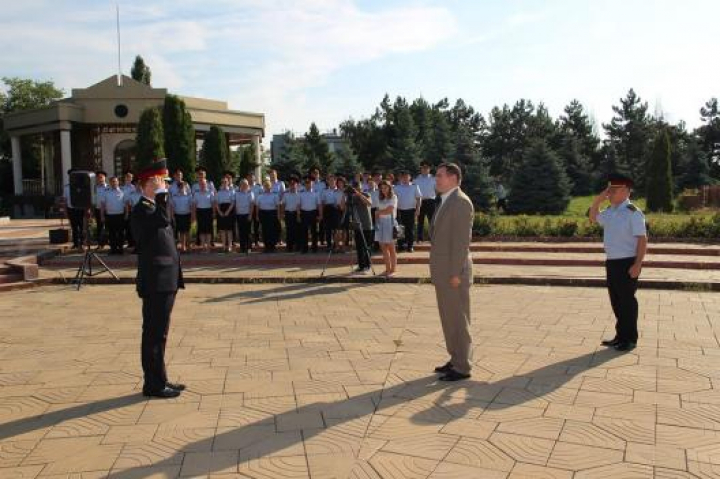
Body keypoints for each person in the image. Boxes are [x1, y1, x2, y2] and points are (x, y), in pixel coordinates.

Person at [131, 158, 185, 399]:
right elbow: (161, 220)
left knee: (160, 333)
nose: (165, 185)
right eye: (160, 180)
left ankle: (159, 378)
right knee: (154, 333)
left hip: (165, 279)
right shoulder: (142, 209)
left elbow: (166, 223)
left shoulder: (153, 207)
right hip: (156, 280)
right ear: (148, 183)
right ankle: (152, 385)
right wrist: (161, 196)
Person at [589, 173, 647, 352]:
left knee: (627, 302)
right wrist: (599, 199)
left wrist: (638, 264)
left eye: (614, 190)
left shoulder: (633, 213)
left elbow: (642, 240)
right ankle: (620, 336)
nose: (610, 193)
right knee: (616, 301)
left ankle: (630, 339)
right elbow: (592, 218)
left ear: (626, 191)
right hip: (612, 262)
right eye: (609, 189)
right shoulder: (610, 211)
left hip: (627, 262)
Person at [430, 162, 474, 382]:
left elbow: (461, 242)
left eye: (439, 176)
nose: (436, 179)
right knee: (449, 319)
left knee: (458, 319)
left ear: (454, 178)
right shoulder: (445, 200)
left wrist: (456, 273)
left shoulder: (460, 202)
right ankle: (455, 358)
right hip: (444, 272)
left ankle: (463, 366)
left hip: (453, 273)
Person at [346, 183, 373, 274]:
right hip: (357, 225)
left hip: (366, 225)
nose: (357, 190)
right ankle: (361, 266)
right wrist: (345, 195)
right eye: (355, 189)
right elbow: (343, 207)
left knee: (366, 247)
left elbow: (369, 203)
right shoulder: (352, 198)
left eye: (359, 188)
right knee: (359, 247)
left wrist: (359, 194)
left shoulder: (366, 194)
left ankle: (368, 266)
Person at [374, 181, 398, 277]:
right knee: (383, 248)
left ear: (389, 188)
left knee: (391, 248)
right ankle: (387, 269)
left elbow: (390, 210)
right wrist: (376, 222)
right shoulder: (379, 198)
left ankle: (393, 270)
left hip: (390, 223)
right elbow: (376, 212)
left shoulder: (394, 197)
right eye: (382, 188)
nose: (383, 190)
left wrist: (378, 212)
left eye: (385, 187)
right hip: (380, 223)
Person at [394, 171, 422, 252]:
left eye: (407, 177)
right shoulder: (396, 187)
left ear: (410, 177)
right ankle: (401, 245)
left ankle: (410, 246)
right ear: (401, 178)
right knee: (400, 229)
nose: (405, 178)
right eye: (403, 177)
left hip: (411, 210)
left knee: (410, 229)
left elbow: (419, 198)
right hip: (400, 211)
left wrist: (418, 209)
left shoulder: (415, 186)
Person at [101, 176, 127, 255]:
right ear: (110, 183)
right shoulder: (106, 192)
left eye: (115, 181)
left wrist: (127, 214)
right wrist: (102, 216)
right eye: (112, 182)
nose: (114, 183)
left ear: (118, 182)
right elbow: (102, 205)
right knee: (111, 233)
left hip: (120, 215)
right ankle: (113, 249)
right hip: (110, 215)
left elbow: (126, 204)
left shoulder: (123, 191)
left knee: (120, 233)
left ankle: (120, 248)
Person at [256, 180, 280, 252]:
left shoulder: (275, 195)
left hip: (272, 214)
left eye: (268, 186)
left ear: (271, 187)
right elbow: (257, 206)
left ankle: (272, 246)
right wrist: (257, 215)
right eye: (265, 186)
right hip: (263, 214)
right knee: (265, 231)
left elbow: (277, 206)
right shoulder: (260, 196)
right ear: (263, 187)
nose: (267, 187)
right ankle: (266, 246)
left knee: (272, 230)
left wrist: (278, 215)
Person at [299, 176, 322, 253]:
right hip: (304, 213)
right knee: (303, 232)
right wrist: (298, 215)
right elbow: (298, 205)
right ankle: (304, 248)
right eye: (306, 183)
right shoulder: (301, 193)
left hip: (313, 213)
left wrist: (320, 215)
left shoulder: (316, 193)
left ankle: (314, 248)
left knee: (314, 231)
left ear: (312, 184)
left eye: (309, 183)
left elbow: (319, 205)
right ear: (304, 184)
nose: (308, 184)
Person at [415, 162, 437, 242]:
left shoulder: (434, 179)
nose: (424, 169)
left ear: (429, 169)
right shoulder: (416, 180)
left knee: (432, 220)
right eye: (423, 168)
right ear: (420, 169)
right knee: (420, 221)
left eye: (426, 168)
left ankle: (432, 238)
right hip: (420, 202)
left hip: (431, 201)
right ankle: (420, 238)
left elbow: (437, 190)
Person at [63, 169, 85, 249]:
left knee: (81, 226)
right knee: (74, 227)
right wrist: (65, 211)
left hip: (80, 209)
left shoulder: (81, 186)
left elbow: (84, 198)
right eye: (70, 176)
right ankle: (75, 243)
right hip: (71, 209)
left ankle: (82, 243)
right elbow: (65, 200)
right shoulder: (66, 187)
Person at [169, 180, 192, 253]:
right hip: (178, 215)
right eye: (180, 187)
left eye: (183, 186)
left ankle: (188, 247)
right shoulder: (174, 196)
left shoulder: (189, 196)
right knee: (181, 232)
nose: (181, 188)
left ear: (185, 187)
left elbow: (191, 207)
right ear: (178, 188)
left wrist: (192, 217)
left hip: (187, 215)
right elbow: (172, 207)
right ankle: (183, 247)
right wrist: (172, 216)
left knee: (187, 231)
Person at [193, 178, 215, 252]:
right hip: (200, 212)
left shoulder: (210, 192)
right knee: (201, 230)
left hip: (208, 212)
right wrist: (194, 215)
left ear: (206, 184)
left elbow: (213, 204)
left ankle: (208, 246)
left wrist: (214, 213)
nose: (202, 185)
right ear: (199, 185)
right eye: (201, 184)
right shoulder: (196, 193)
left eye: (204, 184)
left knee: (208, 231)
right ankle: (203, 247)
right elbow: (195, 205)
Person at [281, 176, 301, 252]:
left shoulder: (299, 194)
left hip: (297, 214)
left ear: (297, 185)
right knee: (289, 231)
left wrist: (299, 215)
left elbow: (300, 205)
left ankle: (297, 246)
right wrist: (282, 214)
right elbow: (283, 204)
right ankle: (289, 247)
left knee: (297, 231)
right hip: (288, 214)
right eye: (291, 184)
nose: (292, 185)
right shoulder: (286, 194)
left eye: (294, 184)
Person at [234, 179, 255, 254]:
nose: (244, 186)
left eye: (245, 184)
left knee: (248, 232)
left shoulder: (250, 193)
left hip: (247, 215)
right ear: (240, 185)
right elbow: (235, 204)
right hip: (239, 215)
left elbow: (252, 205)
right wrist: (236, 215)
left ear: (247, 185)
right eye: (242, 184)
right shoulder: (236, 193)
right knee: (241, 232)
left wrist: (250, 215)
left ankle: (249, 248)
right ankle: (242, 248)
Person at [214, 177, 235, 253]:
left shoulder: (232, 191)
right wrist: (219, 211)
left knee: (229, 230)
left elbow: (233, 202)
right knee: (222, 230)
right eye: (223, 182)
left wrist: (228, 211)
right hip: (221, 211)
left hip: (229, 210)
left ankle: (229, 246)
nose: (224, 183)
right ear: (221, 183)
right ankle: (223, 246)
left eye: (225, 181)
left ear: (228, 182)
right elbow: (216, 203)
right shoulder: (219, 192)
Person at [321, 175, 340, 251]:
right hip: (327, 210)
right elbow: (322, 203)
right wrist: (321, 214)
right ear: (327, 182)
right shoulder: (324, 191)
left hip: (336, 210)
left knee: (336, 229)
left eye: (333, 180)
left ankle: (336, 245)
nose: (331, 182)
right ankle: (329, 245)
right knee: (328, 229)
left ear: (336, 181)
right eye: (330, 180)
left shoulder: (339, 190)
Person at [93, 171, 109, 247]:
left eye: (101, 177)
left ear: (105, 178)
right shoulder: (95, 188)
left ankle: (108, 241)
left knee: (108, 226)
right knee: (99, 226)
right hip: (98, 209)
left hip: (108, 209)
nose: (100, 179)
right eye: (98, 177)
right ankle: (100, 243)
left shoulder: (108, 187)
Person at [121, 171, 136, 249]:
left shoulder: (134, 188)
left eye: (130, 177)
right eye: (127, 177)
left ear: (132, 178)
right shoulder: (122, 188)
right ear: (125, 178)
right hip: (124, 209)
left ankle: (133, 242)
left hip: (132, 209)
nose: (128, 179)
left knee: (132, 226)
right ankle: (129, 242)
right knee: (126, 226)